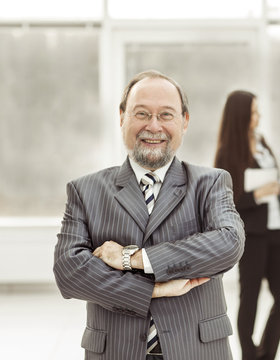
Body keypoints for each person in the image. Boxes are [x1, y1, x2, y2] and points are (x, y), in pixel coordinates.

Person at [53, 70, 245, 360]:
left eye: (166, 115)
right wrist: (152, 290)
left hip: (197, 351)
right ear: (122, 117)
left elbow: (228, 244)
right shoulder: (84, 190)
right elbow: (69, 272)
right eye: (141, 114)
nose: (153, 126)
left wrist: (134, 258)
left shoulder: (211, 183)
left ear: (185, 121)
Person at [215, 90, 280, 360]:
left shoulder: (261, 142)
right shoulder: (228, 152)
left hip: (275, 230)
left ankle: (266, 354)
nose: (258, 116)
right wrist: (257, 194)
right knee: (250, 298)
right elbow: (224, 198)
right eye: (253, 112)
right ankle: (249, 354)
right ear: (240, 116)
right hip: (252, 234)